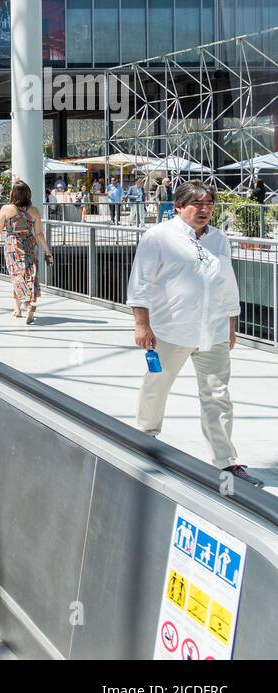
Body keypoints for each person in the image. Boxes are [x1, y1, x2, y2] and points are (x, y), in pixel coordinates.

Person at [127, 181, 257, 485]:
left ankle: (225, 461)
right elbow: (140, 284)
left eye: (209, 204)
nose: (204, 209)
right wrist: (141, 324)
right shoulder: (158, 237)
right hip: (169, 331)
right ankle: (145, 439)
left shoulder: (219, 240)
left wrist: (230, 326)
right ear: (178, 206)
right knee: (156, 386)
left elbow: (227, 285)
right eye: (197, 204)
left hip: (212, 332)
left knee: (218, 396)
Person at [0, 181, 53, 324]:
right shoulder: (34, 211)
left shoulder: (6, 209)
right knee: (29, 274)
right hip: (30, 244)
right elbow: (40, 234)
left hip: (13, 244)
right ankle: (18, 309)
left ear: (13, 194)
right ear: (28, 194)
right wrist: (48, 251)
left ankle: (28, 304)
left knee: (16, 275)